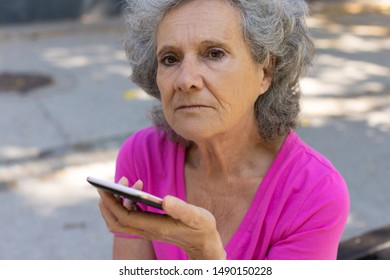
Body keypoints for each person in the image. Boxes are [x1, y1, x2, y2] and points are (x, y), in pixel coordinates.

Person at [97, 0, 349, 260]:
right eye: (170, 59)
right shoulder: (143, 156)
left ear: (265, 72)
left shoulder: (314, 193)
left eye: (214, 54)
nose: (186, 80)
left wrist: (206, 256)